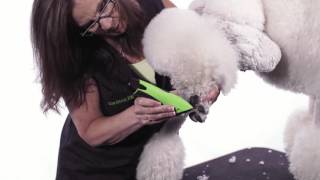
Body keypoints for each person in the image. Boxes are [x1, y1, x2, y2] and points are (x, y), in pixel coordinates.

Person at [31, 0, 220, 179]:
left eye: (103, 6)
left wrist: (209, 83)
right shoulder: (79, 56)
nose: (106, 25)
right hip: (93, 172)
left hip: (151, 166)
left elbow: (198, 48)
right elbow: (90, 130)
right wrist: (136, 116)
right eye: (91, 24)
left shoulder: (156, 7)